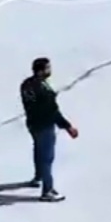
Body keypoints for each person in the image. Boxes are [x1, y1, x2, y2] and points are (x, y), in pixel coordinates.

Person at [19, 57, 78, 202]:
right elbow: (52, 112)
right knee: (47, 157)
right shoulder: (43, 90)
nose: (50, 70)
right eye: (47, 68)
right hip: (44, 125)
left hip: (32, 123)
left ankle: (38, 177)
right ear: (40, 71)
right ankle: (48, 190)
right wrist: (67, 126)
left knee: (38, 150)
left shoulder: (26, 84)